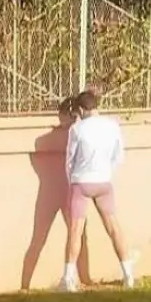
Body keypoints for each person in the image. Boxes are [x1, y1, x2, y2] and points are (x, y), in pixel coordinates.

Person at [62, 91, 135, 291]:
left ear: (81, 109)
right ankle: (128, 274)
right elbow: (118, 156)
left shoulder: (76, 129)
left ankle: (68, 279)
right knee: (113, 227)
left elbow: (69, 160)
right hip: (104, 181)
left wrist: (72, 181)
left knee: (76, 230)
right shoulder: (112, 125)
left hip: (81, 182)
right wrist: (106, 171)